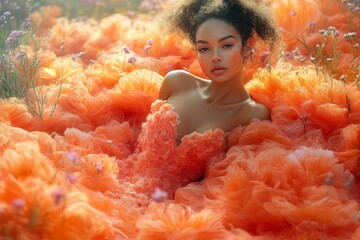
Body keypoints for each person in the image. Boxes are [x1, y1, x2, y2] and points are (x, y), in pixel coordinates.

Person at [159, 0, 279, 143]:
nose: (215, 58)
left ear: (247, 47)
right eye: (204, 49)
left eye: (227, 46)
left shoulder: (253, 113)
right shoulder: (176, 83)